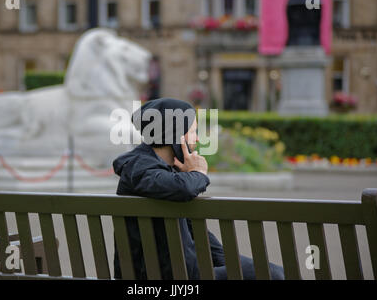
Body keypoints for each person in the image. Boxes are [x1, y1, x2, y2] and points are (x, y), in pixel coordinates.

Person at [112, 98, 284, 280]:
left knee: (268, 272)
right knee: (273, 274)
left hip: (177, 273)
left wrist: (231, 262)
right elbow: (183, 188)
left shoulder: (159, 173)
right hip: (177, 278)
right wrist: (198, 173)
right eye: (193, 132)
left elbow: (201, 237)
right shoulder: (141, 169)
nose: (198, 138)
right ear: (174, 135)